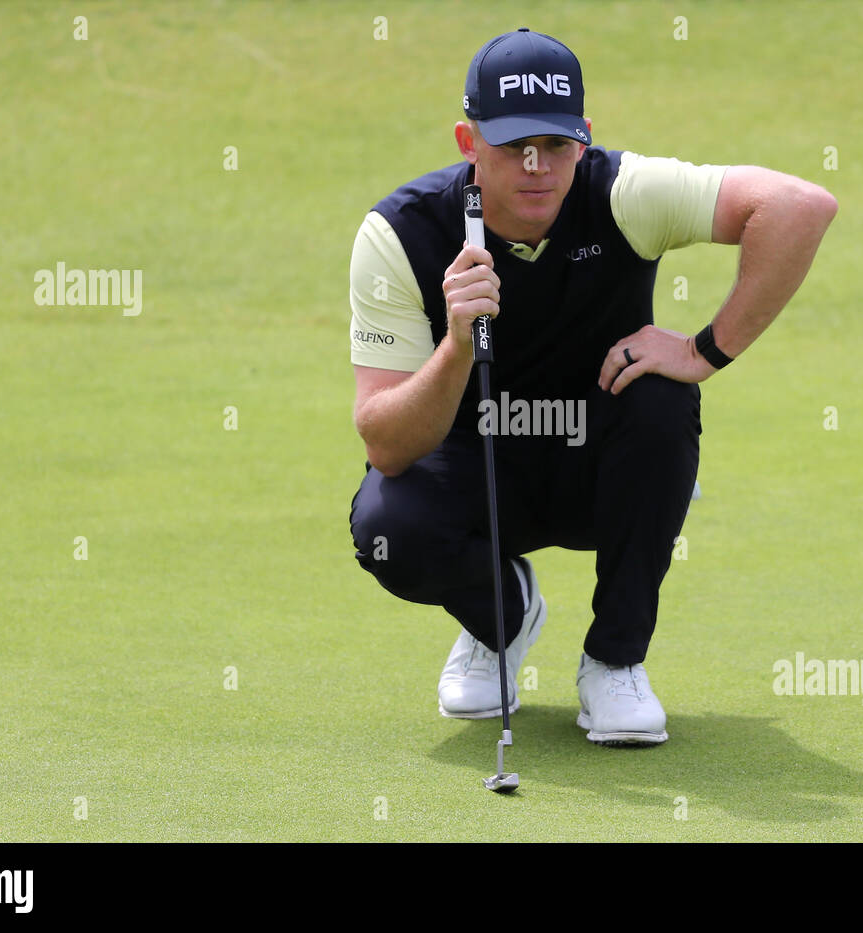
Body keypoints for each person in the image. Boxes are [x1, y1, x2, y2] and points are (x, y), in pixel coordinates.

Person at [348, 27, 836, 745]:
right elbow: (386, 443)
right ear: (467, 140)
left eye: (555, 142)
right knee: (387, 526)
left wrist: (705, 349)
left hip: (598, 474)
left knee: (663, 396)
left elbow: (801, 206)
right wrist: (456, 343)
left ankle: (616, 661)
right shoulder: (401, 234)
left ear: (584, 138)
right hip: (477, 479)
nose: (537, 165)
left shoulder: (624, 192)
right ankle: (502, 618)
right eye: (514, 145)